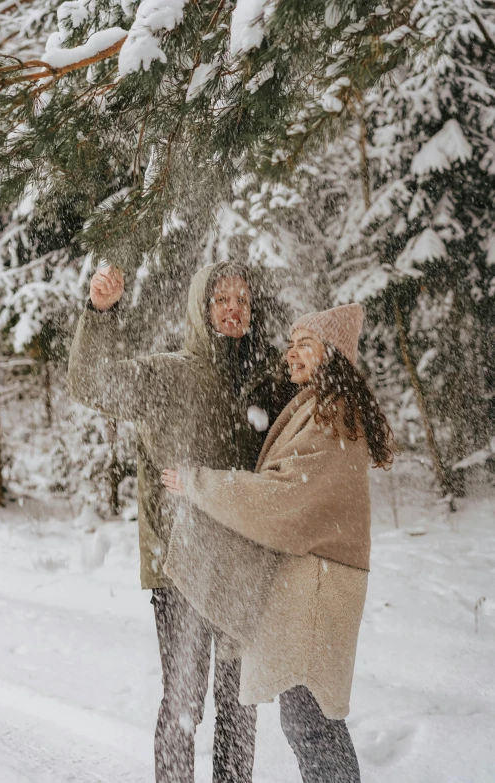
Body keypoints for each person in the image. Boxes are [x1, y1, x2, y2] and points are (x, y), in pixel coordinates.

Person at [68, 261, 293, 783]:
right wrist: (101, 314)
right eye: (222, 300)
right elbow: (90, 381)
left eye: (242, 300)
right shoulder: (169, 377)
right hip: (182, 569)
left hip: (244, 570)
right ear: (201, 308)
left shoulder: (267, 383)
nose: (234, 308)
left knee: (240, 704)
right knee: (184, 701)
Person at [162, 303, 396, 783]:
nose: (291, 355)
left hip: (318, 588)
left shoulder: (332, 417)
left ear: (331, 355)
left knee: (313, 727)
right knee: (310, 723)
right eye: (291, 345)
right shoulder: (322, 407)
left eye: (303, 345)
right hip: (316, 583)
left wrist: (200, 484)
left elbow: (280, 501)